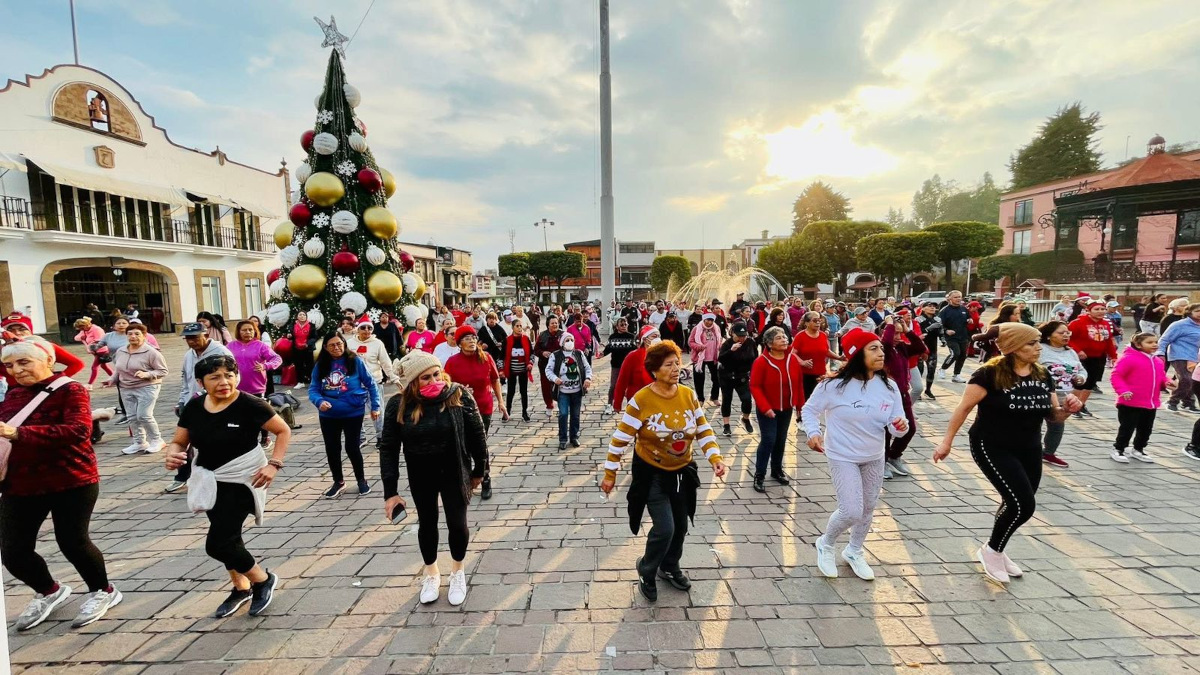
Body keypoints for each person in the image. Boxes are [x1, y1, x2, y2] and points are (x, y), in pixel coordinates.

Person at [934, 323, 1082, 585]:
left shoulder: (1042, 374)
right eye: (1031, 343)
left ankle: (996, 549)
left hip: (1029, 447)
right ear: (1013, 347)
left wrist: (1068, 409)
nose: (1038, 348)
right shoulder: (988, 374)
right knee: (1022, 504)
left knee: (1016, 503)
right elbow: (963, 408)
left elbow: (1053, 415)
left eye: (1038, 342)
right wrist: (946, 443)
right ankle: (991, 551)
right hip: (992, 445)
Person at [1, 339, 122, 631]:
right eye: (9, 365)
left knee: (72, 542)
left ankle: (103, 590)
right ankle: (49, 590)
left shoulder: (71, 389)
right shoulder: (13, 394)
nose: (16, 370)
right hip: (21, 483)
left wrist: (17, 433)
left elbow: (78, 430)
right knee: (13, 550)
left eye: (24, 362)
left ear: (48, 361)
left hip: (71, 479)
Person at [161, 354, 290, 618]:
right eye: (215, 377)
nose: (224, 382)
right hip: (210, 480)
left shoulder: (250, 404)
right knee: (230, 538)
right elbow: (179, 441)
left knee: (218, 544)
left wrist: (274, 464)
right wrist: (173, 454)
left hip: (243, 479)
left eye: (229, 375)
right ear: (201, 382)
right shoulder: (194, 407)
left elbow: (283, 430)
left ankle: (262, 579)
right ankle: (241, 587)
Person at [600, 340, 726, 601]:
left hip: (682, 472)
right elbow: (620, 439)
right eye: (669, 365)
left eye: (677, 363)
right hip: (652, 474)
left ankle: (669, 566)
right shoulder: (641, 400)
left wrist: (715, 457)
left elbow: (703, 429)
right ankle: (647, 569)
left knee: (680, 526)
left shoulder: (688, 395)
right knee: (665, 528)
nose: (676, 369)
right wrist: (610, 473)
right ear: (654, 370)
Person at [380, 350, 488, 607]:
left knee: (457, 524)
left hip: (454, 471)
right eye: (425, 378)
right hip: (421, 474)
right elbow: (389, 448)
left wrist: (479, 471)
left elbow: (477, 435)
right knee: (427, 524)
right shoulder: (399, 404)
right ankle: (431, 573)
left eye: (436, 374)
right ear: (413, 382)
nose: (434, 381)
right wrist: (390, 492)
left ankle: (457, 571)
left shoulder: (458, 395)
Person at [804, 328, 907, 581]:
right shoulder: (832, 385)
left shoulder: (889, 386)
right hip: (842, 455)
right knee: (851, 510)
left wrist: (899, 426)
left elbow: (896, 426)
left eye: (880, 348)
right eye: (873, 348)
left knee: (868, 507)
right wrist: (813, 432)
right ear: (856, 354)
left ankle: (854, 550)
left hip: (874, 455)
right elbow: (809, 410)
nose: (881, 353)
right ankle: (826, 543)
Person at [309, 332, 380, 498]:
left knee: (352, 447)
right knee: (332, 448)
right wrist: (319, 401)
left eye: (339, 344)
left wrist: (375, 407)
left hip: (353, 412)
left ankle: (361, 480)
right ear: (325, 347)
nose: (336, 348)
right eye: (332, 345)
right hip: (329, 415)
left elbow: (371, 384)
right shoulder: (321, 365)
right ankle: (338, 481)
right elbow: (313, 389)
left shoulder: (355, 361)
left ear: (344, 344)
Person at [166, 323, 233, 492]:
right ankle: (182, 476)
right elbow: (186, 380)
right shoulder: (189, 355)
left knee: (213, 441)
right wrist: (182, 401)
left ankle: (218, 476)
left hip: (216, 403)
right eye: (188, 339)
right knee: (185, 440)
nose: (192, 342)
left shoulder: (221, 352)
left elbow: (233, 378)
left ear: (206, 335)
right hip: (193, 404)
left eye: (195, 338)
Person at [445, 325, 503, 499]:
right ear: (459, 343)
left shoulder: (486, 357)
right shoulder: (452, 362)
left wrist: (501, 402)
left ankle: (485, 479)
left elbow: (495, 379)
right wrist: (460, 390)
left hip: (483, 408)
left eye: (473, 337)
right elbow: (446, 386)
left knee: (480, 444)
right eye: (466, 338)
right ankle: (467, 478)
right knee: (464, 445)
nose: (471, 341)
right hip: (460, 408)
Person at [749, 326, 804, 493]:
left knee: (781, 439)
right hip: (768, 409)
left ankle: (776, 470)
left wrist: (800, 406)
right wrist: (765, 407)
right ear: (769, 343)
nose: (784, 339)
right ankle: (759, 474)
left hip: (786, 408)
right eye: (779, 338)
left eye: (785, 337)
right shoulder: (761, 362)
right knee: (768, 439)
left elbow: (799, 383)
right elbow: (755, 386)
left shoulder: (792, 359)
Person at [103, 322, 167, 455]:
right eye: (130, 334)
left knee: (144, 415)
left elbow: (163, 371)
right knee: (132, 416)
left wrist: (147, 374)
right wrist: (112, 379)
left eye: (137, 334)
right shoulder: (121, 351)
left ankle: (157, 440)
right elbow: (118, 369)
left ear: (144, 336)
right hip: (126, 388)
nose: (133, 336)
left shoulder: (151, 352)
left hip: (147, 387)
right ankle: (139, 442)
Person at [1109, 332, 1172, 464]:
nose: (1154, 345)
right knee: (1127, 428)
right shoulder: (1128, 358)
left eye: (1155, 342)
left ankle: (1138, 449)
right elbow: (1116, 375)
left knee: (1146, 429)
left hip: (1151, 402)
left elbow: (1161, 375)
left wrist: (1167, 382)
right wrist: (1123, 390)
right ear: (1138, 344)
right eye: (1149, 342)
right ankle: (1119, 448)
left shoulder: (1157, 361)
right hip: (1130, 402)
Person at [1037, 321, 1085, 468]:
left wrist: (1081, 377)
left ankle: (1048, 453)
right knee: (1034, 425)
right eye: (1061, 332)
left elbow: (1081, 369)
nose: (1066, 335)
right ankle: (1031, 452)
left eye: (1067, 332)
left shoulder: (1070, 352)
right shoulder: (1040, 349)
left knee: (1057, 426)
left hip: (1063, 397)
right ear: (1048, 335)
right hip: (1042, 395)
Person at [228, 320, 282, 447]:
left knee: (259, 414)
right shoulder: (231, 346)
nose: (248, 332)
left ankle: (265, 437)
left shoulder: (260, 346)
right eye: (244, 330)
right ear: (238, 332)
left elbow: (277, 358)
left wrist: (265, 366)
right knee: (240, 415)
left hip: (256, 387)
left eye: (250, 330)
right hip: (237, 387)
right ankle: (245, 439)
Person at [348, 320, 396, 448]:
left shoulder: (377, 343)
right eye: (363, 328)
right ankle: (361, 437)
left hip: (374, 382)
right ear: (358, 329)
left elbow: (385, 362)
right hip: (356, 384)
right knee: (356, 411)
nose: (366, 330)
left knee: (378, 411)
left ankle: (381, 437)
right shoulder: (350, 343)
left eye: (369, 328)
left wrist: (393, 377)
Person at [1068, 300, 1119, 417]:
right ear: (1088, 311)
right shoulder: (1077, 323)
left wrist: (1113, 356)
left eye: (1102, 309)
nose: (1100, 311)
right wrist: (1078, 350)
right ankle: (1072, 405)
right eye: (1096, 309)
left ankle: (1081, 405)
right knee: (1080, 382)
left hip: (1099, 357)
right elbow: (1068, 339)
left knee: (1091, 383)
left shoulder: (1106, 323)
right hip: (1081, 358)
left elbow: (1108, 341)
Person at [545, 333, 593, 450]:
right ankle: (562, 439)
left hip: (577, 391)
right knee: (563, 414)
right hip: (563, 391)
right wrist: (555, 379)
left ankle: (574, 437)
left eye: (571, 340)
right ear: (562, 342)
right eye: (567, 340)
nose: (570, 342)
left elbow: (587, 367)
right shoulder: (555, 355)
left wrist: (588, 378)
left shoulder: (579, 353)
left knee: (575, 415)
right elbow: (548, 370)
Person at [791, 311, 844, 402]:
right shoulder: (800, 336)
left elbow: (826, 351)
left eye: (819, 320)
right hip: (805, 375)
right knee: (806, 400)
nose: (818, 323)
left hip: (821, 374)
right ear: (807, 323)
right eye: (815, 320)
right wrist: (802, 362)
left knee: (820, 400)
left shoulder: (823, 335)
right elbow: (792, 353)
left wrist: (839, 357)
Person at [717, 322, 757, 437]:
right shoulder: (727, 344)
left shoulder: (750, 342)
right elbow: (720, 358)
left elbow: (755, 357)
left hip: (742, 376)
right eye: (739, 336)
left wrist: (753, 372)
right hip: (726, 375)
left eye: (744, 335)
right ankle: (726, 425)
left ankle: (745, 418)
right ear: (732, 334)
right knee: (727, 399)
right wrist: (731, 350)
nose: (742, 338)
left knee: (747, 399)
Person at [603, 317, 639, 414]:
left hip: (629, 366)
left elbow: (636, 350)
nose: (624, 326)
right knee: (613, 386)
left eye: (625, 324)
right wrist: (602, 354)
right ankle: (609, 404)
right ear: (617, 326)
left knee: (630, 387)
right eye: (621, 325)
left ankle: (631, 406)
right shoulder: (612, 337)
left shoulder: (631, 337)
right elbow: (608, 349)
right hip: (616, 365)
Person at [688, 313, 723, 406]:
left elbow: (719, 339)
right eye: (707, 320)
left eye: (711, 320)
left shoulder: (716, 328)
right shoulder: (697, 328)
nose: (709, 322)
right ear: (704, 320)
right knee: (699, 379)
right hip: (699, 357)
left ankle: (714, 397)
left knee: (717, 378)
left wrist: (720, 346)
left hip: (713, 357)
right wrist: (699, 347)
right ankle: (700, 398)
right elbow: (690, 342)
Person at [937, 291, 971, 382]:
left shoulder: (964, 309)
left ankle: (956, 375)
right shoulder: (944, 311)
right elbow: (938, 324)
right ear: (949, 299)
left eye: (959, 297)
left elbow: (968, 317)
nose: (958, 299)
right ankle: (942, 369)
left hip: (963, 336)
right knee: (955, 353)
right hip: (951, 337)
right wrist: (946, 331)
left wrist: (969, 320)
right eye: (955, 297)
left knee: (963, 355)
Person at [503, 320, 534, 421]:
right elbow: (501, 356)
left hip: (523, 370)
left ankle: (525, 412)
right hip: (511, 370)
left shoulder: (526, 339)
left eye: (521, 325)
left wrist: (530, 363)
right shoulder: (507, 340)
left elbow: (532, 354)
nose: (520, 328)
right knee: (510, 391)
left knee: (523, 391)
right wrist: (501, 370)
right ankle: (507, 411)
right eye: (517, 326)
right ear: (513, 328)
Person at [535, 315, 564, 419]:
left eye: (556, 323)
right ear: (548, 325)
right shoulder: (542, 335)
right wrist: (542, 353)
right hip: (545, 365)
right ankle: (549, 405)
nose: (555, 325)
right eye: (552, 323)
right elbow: (536, 350)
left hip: (560, 366)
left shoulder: (563, 334)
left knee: (560, 386)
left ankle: (562, 406)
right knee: (546, 387)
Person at [914, 302, 943, 399]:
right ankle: (917, 390)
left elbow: (940, 331)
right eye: (929, 306)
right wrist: (929, 328)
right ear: (923, 308)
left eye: (934, 307)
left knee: (931, 370)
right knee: (920, 369)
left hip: (932, 347)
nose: (932, 308)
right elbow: (917, 333)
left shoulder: (938, 319)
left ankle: (928, 390)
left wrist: (943, 339)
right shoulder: (918, 319)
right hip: (920, 348)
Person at [286, 311, 317, 388]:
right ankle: (300, 382)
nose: (302, 316)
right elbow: (290, 335)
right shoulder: (293, 325)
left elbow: (314, 337)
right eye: (300, 315)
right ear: (297, 316)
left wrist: (308, 344)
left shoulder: (311, 325)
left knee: (310, 366)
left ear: (306, 317)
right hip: (296, 348)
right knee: (298, 366)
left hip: (307, 348)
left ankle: (313, 382)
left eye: (304, 315)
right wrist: (289, 336)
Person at [477, 312, 509, 381]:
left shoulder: (500, 329)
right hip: (486, 353)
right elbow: (478, 341)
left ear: (496, 320)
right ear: (486, 320)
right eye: (489, 319)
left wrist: (501, 343)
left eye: (493, 319)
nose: (491, 320)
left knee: (498, 370)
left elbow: (506, 339)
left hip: (498, 353)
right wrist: (481, 345)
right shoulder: (483, 329)